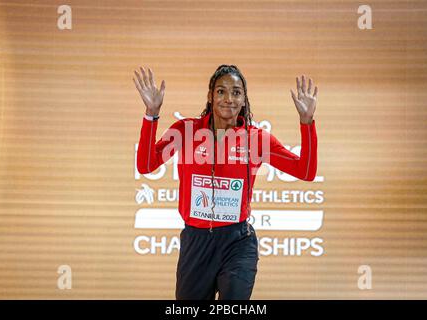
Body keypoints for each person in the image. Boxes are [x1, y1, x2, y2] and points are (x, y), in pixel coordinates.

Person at [133, 65, 318, 300]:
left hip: (237, 243)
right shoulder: (186, 130)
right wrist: (151, 114)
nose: (228, 98)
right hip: (196, 243)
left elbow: (306, 170)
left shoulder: (256, 139)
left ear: (244, 99)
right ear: (210, 97)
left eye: (236, 92)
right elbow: (146, 165)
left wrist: (307, 121)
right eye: (221, 91)